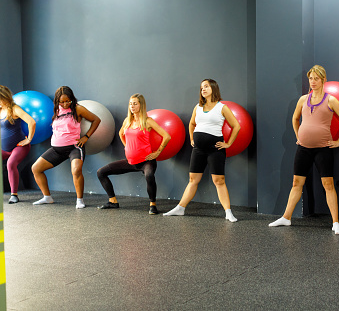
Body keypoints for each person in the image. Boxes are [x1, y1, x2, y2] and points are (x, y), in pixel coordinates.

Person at [268, 65, 339, 233]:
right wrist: (299, 136)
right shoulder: (302, 99)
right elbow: (295, 118)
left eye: (316, 79)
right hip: (304, 148)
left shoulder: (331, 100)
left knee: (328, 185)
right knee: (296, 183)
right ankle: (286, 217)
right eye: (310, 79)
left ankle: (335, 223)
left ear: (323, 80)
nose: (313, 82)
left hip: (323, 149)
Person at [163, 79, 240, 222]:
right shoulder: (198, 107)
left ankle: (228, 212)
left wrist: (228, 143)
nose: (203, 89)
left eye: (206, 87)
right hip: (198, 149)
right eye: (201, 87)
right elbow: (192, 124)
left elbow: (236, 126)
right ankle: (180, 208)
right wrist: (192, 139)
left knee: (219, 180)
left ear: (214, 89)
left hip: (214, 150)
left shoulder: (221, 107)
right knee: (193, 179)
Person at [97, 94, 170, 215]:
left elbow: (167, 136)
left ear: (141, 105)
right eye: (130, 103)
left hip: (146, 160)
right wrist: (127, 146)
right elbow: (121, 134)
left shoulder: (148, 121)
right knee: (101, 172)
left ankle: (153, 205)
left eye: (135, 103)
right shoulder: (127, 121)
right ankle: (113, 201)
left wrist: (157, 152)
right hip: (130, 161)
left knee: (149, 175)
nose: (132, 106)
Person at [32, 86, 101, 208]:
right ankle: (47, 197)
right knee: (36, 168)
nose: (65, 104)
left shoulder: (78, 109)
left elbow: (96, 120)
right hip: (56, 149)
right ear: (57, 101)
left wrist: (86, 137)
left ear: (72, 99)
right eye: (62, 101)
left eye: (67, 101)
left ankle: (80, 200)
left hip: (74, 148)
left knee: (76, 170)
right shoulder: (56, 110)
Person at [0, 85, 36, 204]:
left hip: (19, 147)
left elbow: (31, 121)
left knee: (11, 164)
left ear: (5, 98)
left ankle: (14, 195)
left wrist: (29, 139)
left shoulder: (14, 109)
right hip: (4, 148)